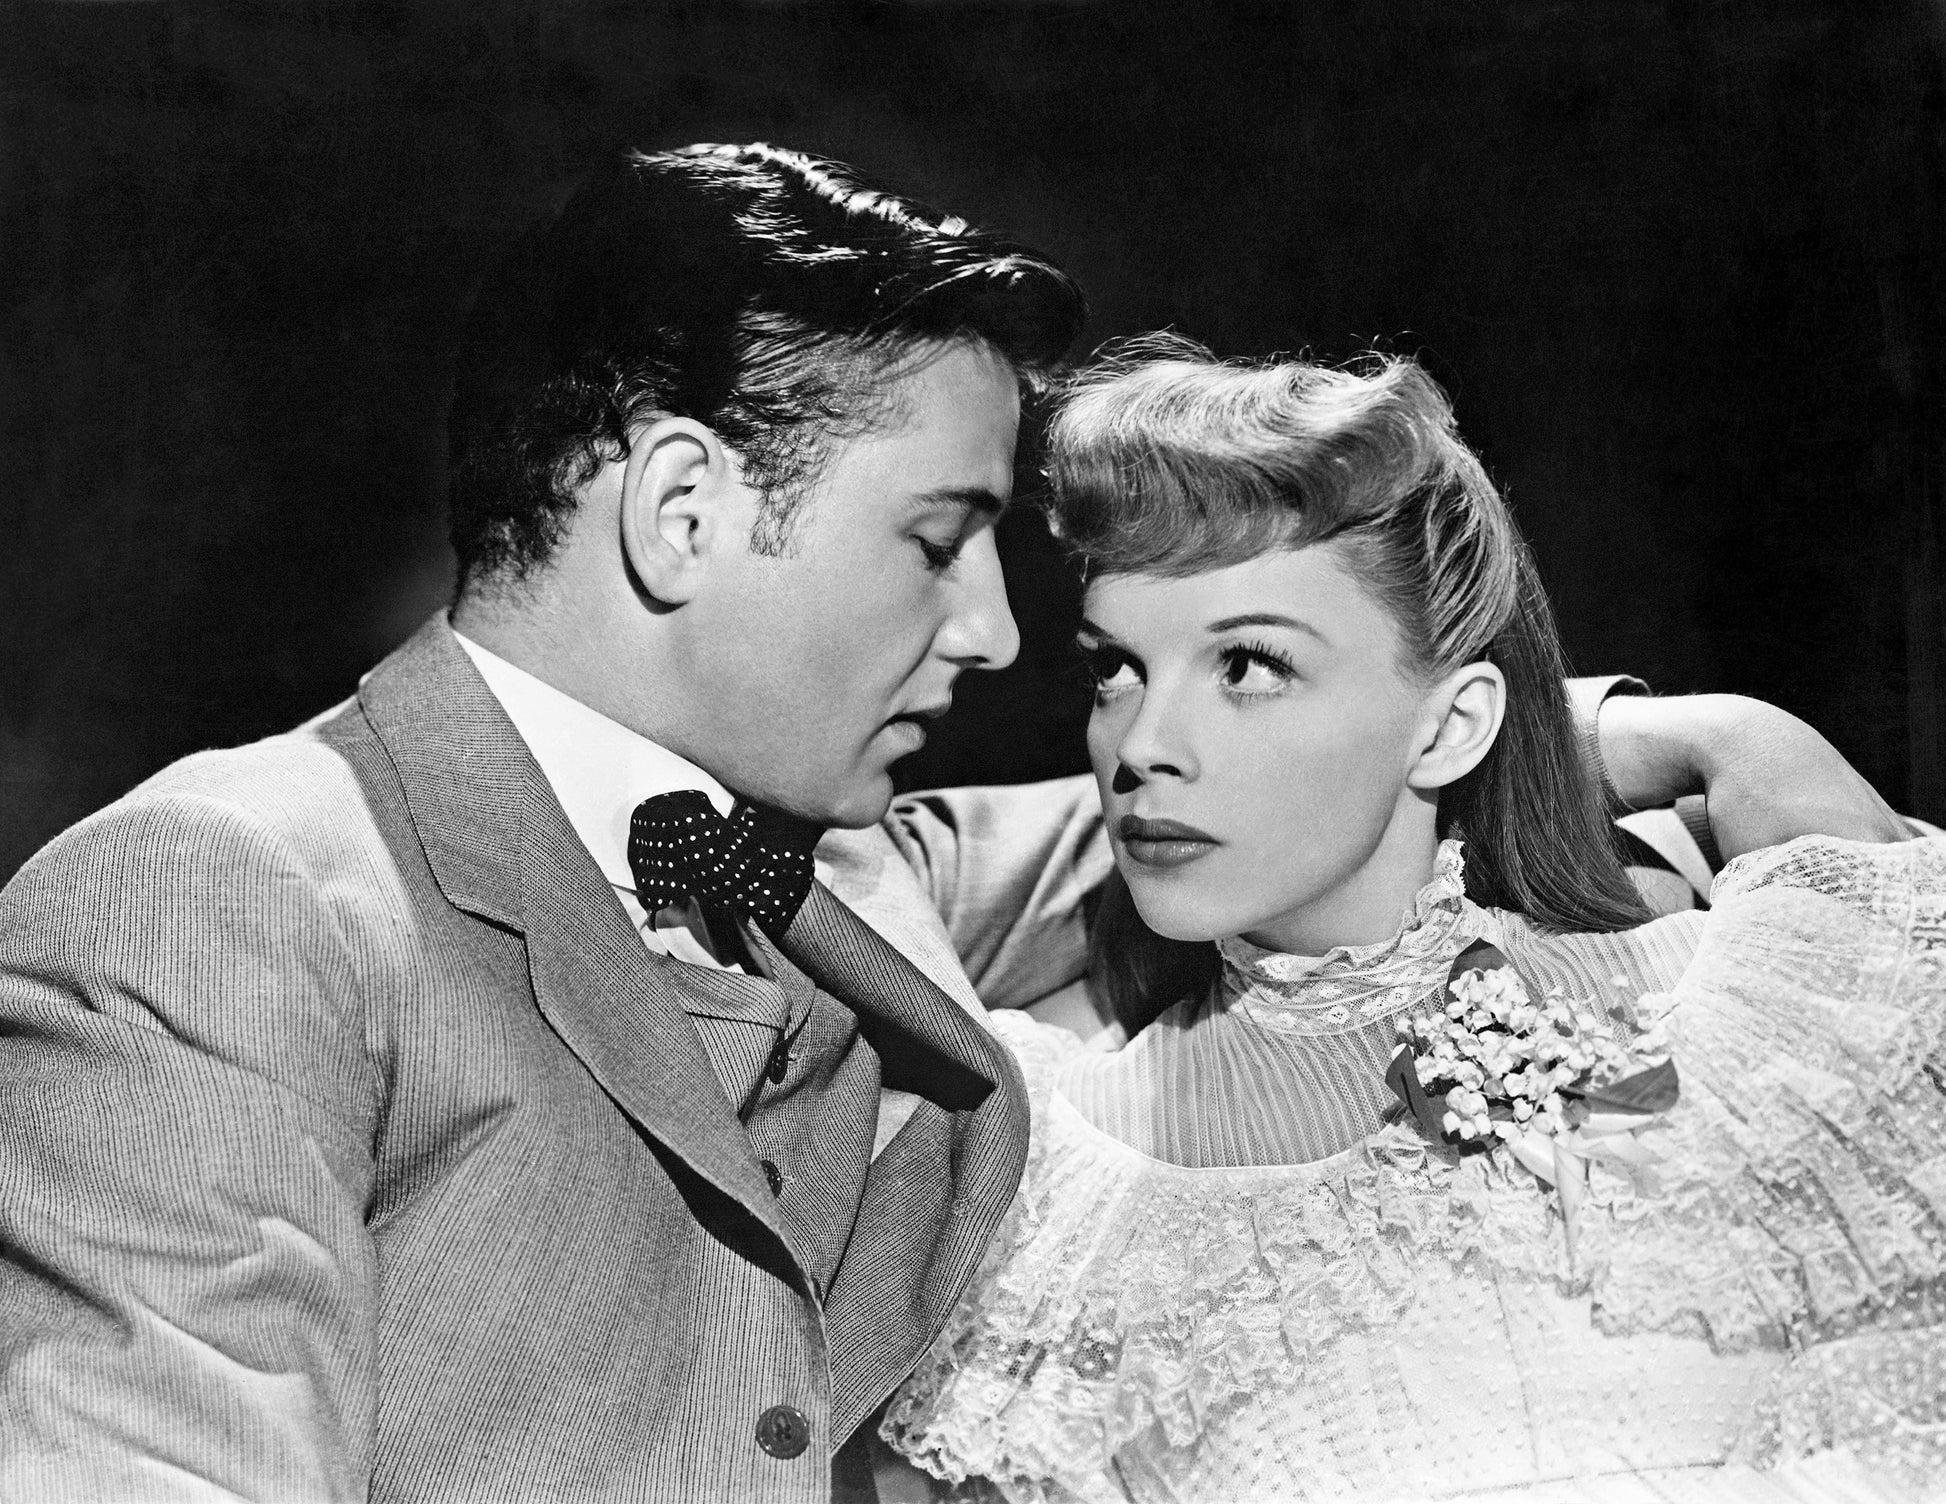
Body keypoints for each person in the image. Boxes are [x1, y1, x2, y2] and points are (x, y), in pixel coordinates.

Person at [0, 145, 1871, 1504]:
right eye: (935, 539)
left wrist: (1678, 734)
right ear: (679, 510)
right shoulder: (220, 890)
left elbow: (1265, 796)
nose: (991, 635)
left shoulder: (824, 864)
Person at [880, 341, 1943, 1502]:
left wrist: (1728, 735)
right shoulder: (1064, 1183)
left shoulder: (1757, 1003)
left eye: (1247, 664)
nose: (1140, 747)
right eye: (1116, 670)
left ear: (1450, 725)